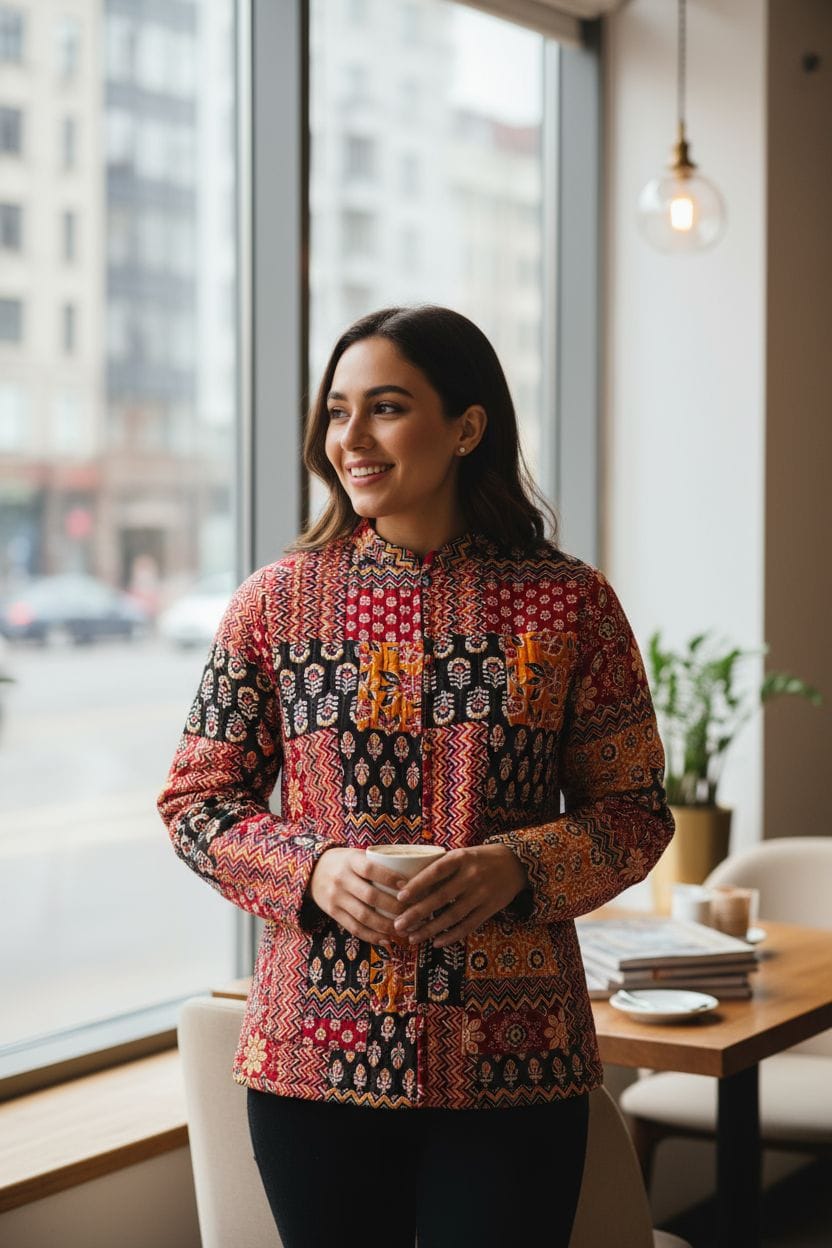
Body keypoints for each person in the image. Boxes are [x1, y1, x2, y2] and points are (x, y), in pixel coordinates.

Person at [157, 304, 675, 1248]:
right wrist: (311, 870)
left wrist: (518, 864)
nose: (350, 438)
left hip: (516, 1057)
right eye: (337, 411)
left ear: (467, 427)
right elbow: (198, 800)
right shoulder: (276, 604)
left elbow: (634, 811)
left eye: (386, 407)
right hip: (315, 1061)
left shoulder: (569, 603)